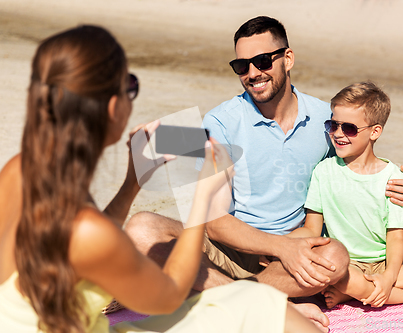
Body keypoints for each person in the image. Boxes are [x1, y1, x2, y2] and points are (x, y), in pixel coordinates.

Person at [0, 25, 323, 333]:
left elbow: (85, 237)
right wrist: (202, 201)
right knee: (264, 306)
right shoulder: (92, 234)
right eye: (130, 85)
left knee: (259, 299)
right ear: (113, 106)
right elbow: (167, 295)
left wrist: (132, 182)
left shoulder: (21, 169)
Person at [126, 16, 403, 332]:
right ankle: (261, 302)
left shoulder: (325, 118)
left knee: (335, 255)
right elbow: (214, 222)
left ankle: (231, 294)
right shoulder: (222, 123)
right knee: (142, 229)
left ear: (288, 58)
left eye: (262, 61)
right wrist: (278, 246)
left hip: (292, 253)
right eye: (242, 66)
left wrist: (401, 183)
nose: (252, 74)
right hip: (231, 249)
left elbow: (359, 163)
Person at [297, 82, 403, 308]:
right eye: (332, 125)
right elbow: (312, 229)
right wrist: (276, 245)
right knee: (333, 273)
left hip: (385, 261)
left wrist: (387, 278)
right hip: (346, 265)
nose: (337, 134)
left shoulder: (393, 177)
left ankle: (356, 293)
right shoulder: (323, 171)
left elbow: (395, 238)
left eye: (349, 128)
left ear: (375, 132)